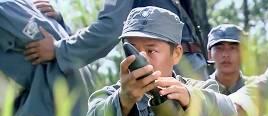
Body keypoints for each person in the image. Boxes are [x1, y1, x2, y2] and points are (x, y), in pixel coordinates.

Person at [82, 6, 236, 116]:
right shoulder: (109, 96)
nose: (141, 58)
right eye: (133, 49)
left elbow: (230, 113)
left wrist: (190, 99)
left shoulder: (197, 88)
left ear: (176, 54)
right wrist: (123, 101)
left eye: (151, 50)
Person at [0, 0, 134, 116]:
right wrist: (57, 42)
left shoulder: (20, 6)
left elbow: (60, 48)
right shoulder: (6, 9)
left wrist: (58, 26)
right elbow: (46, 43)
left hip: (77, 115)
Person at [24, 0, 209, 80]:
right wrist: (62, 23)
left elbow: (109, 29)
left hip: (171, 71)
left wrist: (59, 49)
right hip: (189, 66)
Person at [207, 24, 249, 95]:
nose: (226, 55)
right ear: (209, 55)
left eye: (233, 48)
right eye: (219, 48)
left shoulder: (254, 90)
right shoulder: (199, 90)